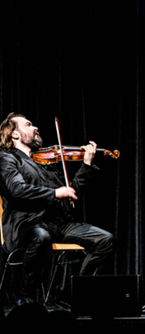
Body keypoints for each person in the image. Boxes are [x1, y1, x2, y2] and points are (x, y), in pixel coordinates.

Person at [0, 113, 114, 304]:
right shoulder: (8, 159)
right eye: (28, 125)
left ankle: (78, 294)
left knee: (105, 240)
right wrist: (54, 193)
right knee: (41, 237)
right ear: (15, 134)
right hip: (28, 222)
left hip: (58, 223)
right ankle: (27, 297)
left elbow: (70, 191)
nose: (35, 127)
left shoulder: (46, 165)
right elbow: (17, 189)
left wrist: (86, 165)